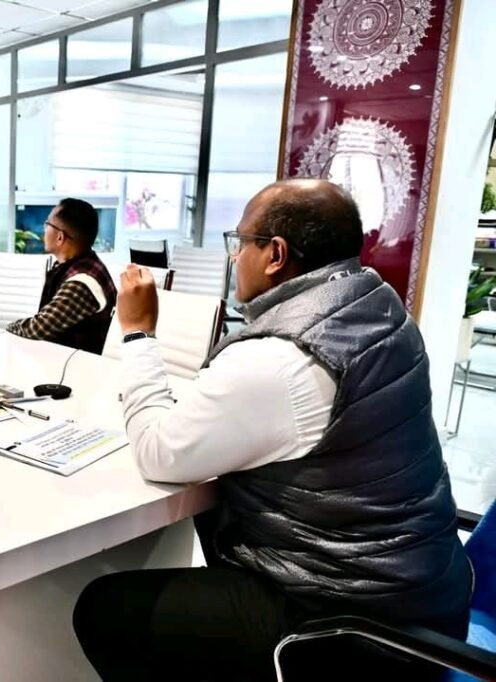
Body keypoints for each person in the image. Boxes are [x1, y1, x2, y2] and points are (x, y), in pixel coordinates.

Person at [72, 179, 472, 682]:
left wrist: (137, 332)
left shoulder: (282, 357)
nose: (234, 257)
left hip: (355, 624)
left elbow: (157, 452)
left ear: (275, 255)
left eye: (239, 242)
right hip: (427, 591)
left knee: (106, 611)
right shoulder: (379, 305)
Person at [6, 198, 117, 354]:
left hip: (74, 365)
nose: (44, 229)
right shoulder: (80, 264)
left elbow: (36, 330)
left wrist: (6, 329)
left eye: (47, 224)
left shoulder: (81, 283)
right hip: (62, 358)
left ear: (60, 237)